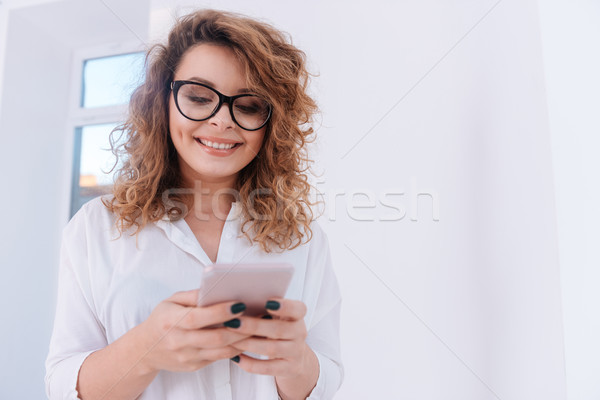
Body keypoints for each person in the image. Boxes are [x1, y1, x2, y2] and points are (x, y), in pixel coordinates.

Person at [44, 8, 343, 400]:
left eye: (249, 105)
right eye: (199, 98)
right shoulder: (95, 228)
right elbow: (63, 386)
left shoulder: (304, 239)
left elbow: (328, 377)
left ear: (273, 124)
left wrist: (296, 360)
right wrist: (147, 349)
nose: (222, 121)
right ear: (162, 102)